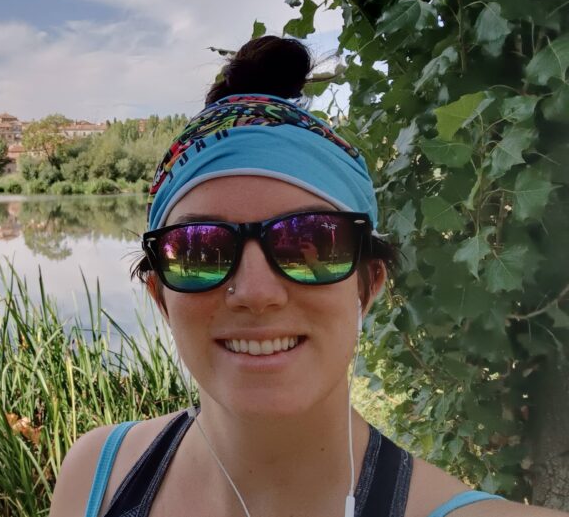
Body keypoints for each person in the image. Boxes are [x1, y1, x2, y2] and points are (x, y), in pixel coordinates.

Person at [48, 36, 567, 517]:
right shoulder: (95, 477)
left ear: (369, 286)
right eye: (200, 250)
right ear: (160, 295)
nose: (256, 292)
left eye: (311, 242)